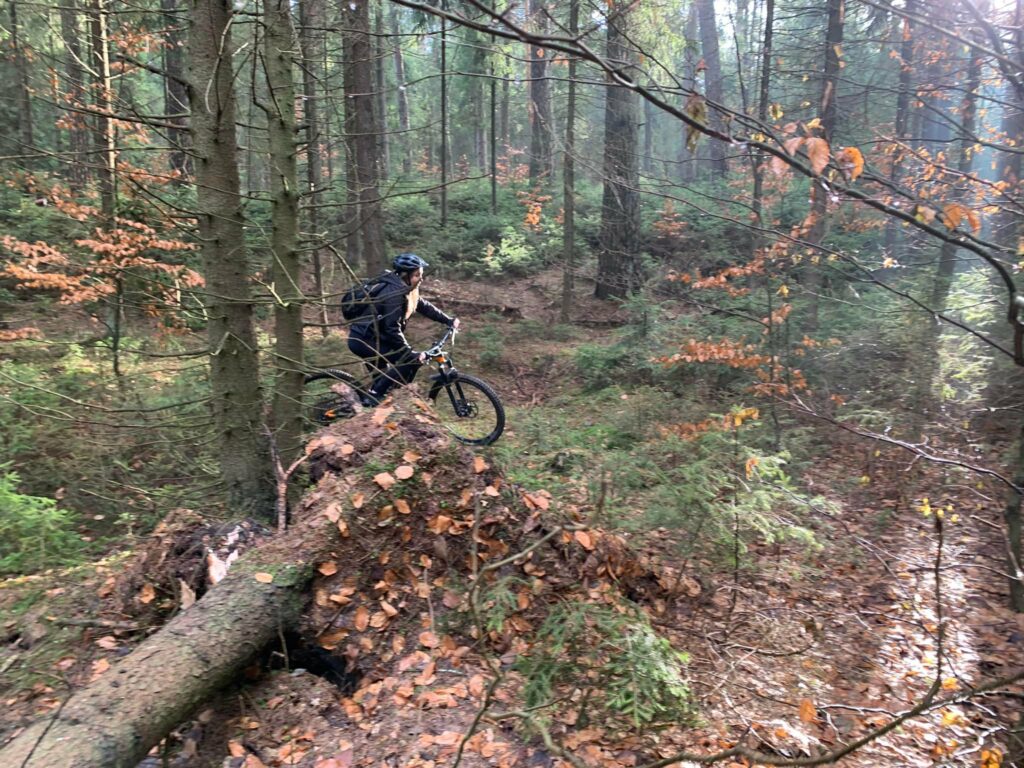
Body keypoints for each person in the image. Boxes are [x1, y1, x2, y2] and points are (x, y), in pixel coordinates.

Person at [347, 253, 460, 407]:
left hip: (376, 337)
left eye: (421, 274)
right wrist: (409, 352)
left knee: (388, 379)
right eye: (417, 275)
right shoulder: (394, 294)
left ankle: (380, 401)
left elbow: (423, 306)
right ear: (405, 275)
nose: (421, 278)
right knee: (409, 360)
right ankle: (373, 396)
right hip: (363, 340)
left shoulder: (407, 289)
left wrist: (448, 320)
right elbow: (392, 328)